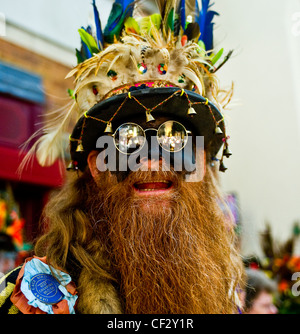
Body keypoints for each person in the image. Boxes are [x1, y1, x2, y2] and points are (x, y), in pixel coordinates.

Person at [0, 0, 244, 314]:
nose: (154, 160)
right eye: (128, 140)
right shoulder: (33, 300)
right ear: (96, 167)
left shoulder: (222, 291)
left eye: (174, 139)